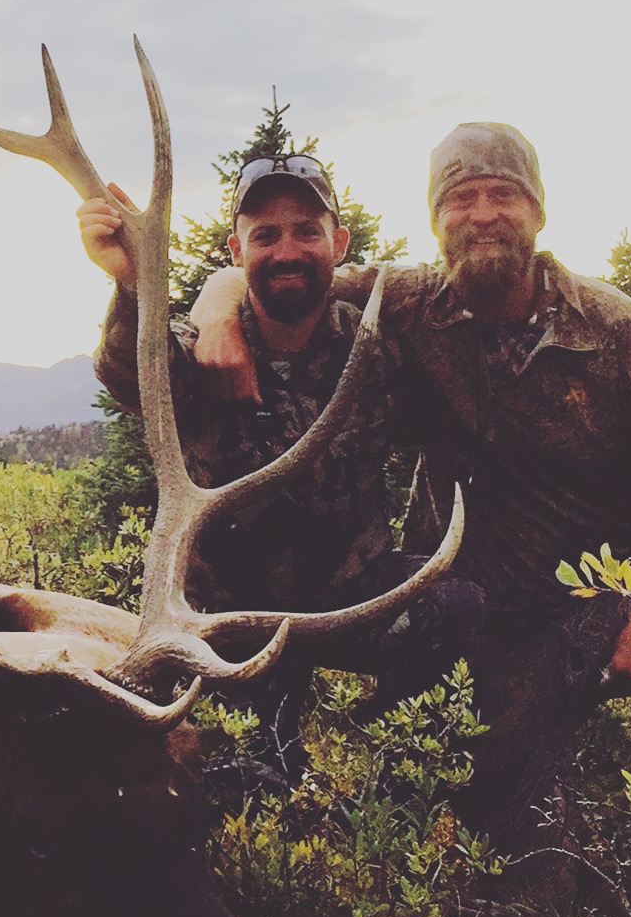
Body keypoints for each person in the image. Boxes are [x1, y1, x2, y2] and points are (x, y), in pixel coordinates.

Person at [190, 122, 631, 852]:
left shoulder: (622, 335)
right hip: (467, 611)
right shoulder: (407, 303)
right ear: (436, 221)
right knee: (445, 821)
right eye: (459, 199)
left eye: (503, 195)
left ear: (538, 211)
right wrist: (215, 312)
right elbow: (282, 274)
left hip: (591, 617)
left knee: (534, 842)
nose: (482, 215)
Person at [79, 158, 452, 768]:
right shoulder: (196, 351)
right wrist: (131, 285)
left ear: (338, 242)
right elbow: (130, 371)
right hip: (227, 619)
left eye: (306, 231)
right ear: (236, 250)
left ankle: (386, 771)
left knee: (453, 611)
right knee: (250, 779)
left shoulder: (379, 347)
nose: (287, 251)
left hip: (346, 594)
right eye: (265, 235)